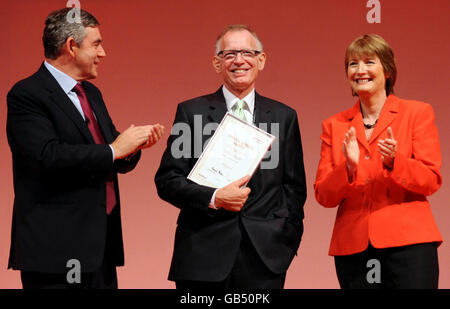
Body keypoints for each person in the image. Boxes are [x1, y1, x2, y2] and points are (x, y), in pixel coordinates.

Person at [6, 8, 164, 289]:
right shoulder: (27, 94)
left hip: (99, 248)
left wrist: (133, 147)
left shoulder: (90, 92)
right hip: (56, 253)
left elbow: (109, 149)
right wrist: (115, 150)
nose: (103, 53)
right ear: (71, 46)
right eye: (97, 44)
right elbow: (45, 156)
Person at [155, 24, 306, 289]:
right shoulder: (192, 113)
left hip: (265, 258)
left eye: (247, 52)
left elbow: (294, 187)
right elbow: (168, 181)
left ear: (261, 60)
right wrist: (214, 198)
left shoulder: (284, 117)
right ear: (216, 63)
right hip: (202, 255)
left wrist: (286, 235)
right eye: (229, 54)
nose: (239, 60)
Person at [314, 34, 442, 289]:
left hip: (410, 245)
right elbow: (323, 195)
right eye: (353, 64)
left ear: (388, 70)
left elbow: (431, 180)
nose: (360, 70)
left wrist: (396, 162)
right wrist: (348, 169)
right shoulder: (334, 125)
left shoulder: (417, 113)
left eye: (369, 62)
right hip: (354, 249)